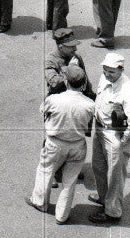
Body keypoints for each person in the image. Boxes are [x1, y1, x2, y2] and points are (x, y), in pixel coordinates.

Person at [26, 65, 96, 222]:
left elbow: (43, 110)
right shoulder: (90, 104)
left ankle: (39, 202)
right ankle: (62, 215)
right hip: (78, 145)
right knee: (69, 181)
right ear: (84, 84)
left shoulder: (53, 100)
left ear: (66, 81)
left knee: (45, 170)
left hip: (55, 143)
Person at [88, 52, 130, 222]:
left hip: (115, 134)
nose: (107, 74)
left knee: (115, 174)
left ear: (121, 70)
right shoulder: (105, 78)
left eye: (111, 72)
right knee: (98, 166)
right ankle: (104, 197)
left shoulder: (128, 92)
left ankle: (112, 211)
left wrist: (125, 139)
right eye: (105, 70)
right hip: (99, 128)